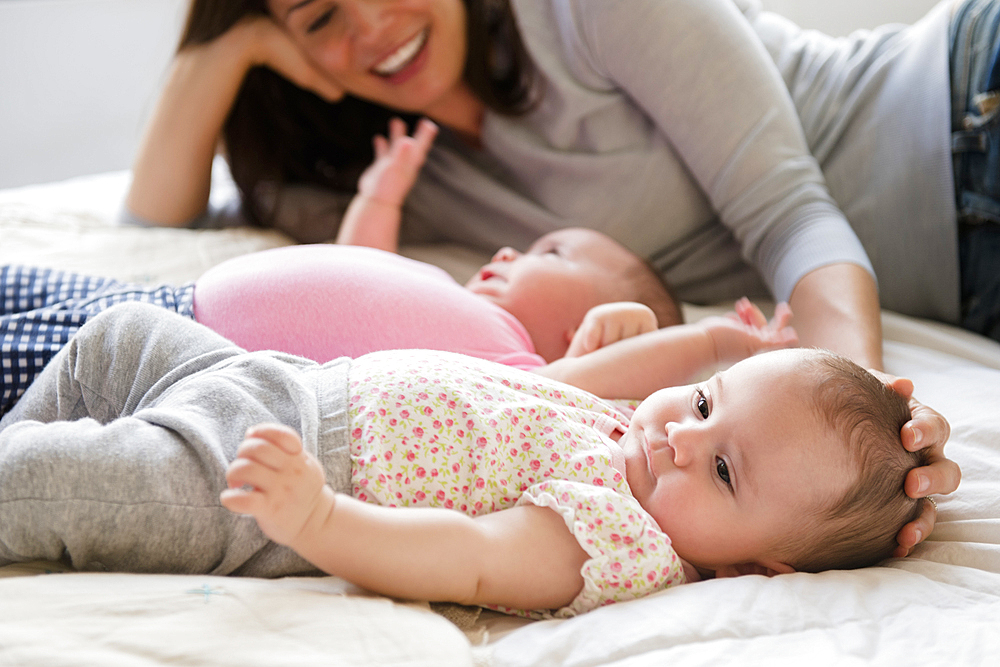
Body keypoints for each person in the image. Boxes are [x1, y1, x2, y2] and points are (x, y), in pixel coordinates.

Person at [120, 0, 960, 545]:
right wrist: (220, 50)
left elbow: (793, 215)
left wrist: (865, 398)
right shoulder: (395, 173)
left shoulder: (583, 12)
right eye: (321, 17)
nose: (372, 23)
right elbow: (155, 225)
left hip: (961, 109)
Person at [0, 301, 926, 619]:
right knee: (115, 338)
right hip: (275, 381)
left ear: (757, 565)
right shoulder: (634, 438)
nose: (683, 436)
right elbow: (607, 371)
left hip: (261, 476)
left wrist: (319, 518)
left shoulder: (625, 537)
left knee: (68, 487)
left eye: (725, 469)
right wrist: (724, 343)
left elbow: (470, 555)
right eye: (701, 406)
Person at [0, 118, 680, 416]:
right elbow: (362, 261)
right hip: (158, 295)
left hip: (167, 349)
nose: (509, 252)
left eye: (550, 253)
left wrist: (646, 337)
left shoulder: (515, 370)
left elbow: (587, 385)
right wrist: (380, 195)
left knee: (23, 354)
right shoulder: (451, 292)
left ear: (587, 329)